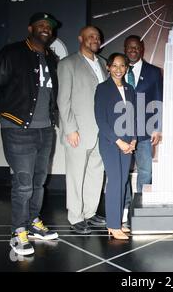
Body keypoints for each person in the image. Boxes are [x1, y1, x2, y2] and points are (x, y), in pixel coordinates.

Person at [0, 12, 60, 255]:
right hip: (18, 129)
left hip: (45, 130)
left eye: (49, 26)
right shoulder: (13, 52)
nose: (45, 28)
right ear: (30, 28)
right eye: (41, 25)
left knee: (39, 182)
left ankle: (33, 223)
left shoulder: (51, 58)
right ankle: (18, 231)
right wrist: (5, 113)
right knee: (24, 184)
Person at [57, 26, 107, 234]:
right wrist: (70, 129)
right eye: (90, 37)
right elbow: (63, 100)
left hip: (101, 131)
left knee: (95, 173)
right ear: (81, 39)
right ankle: (76, 217)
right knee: (76, 175)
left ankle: (89, 212)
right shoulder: (68, 64)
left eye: (97, 37)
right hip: (78, 131)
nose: (94, 39)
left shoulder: (104, 64)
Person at [94, 53, 137, 240]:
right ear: (108, 67)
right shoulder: (102, 89)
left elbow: (134, 118)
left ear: (126, 68)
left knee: (123, 181)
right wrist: (119, 141)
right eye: (115, 66)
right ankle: (112, 225)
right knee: (116, 181)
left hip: (128, 143)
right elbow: (101, 120)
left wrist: (133, 140)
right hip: (110, 142)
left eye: (122, 66)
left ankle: (117, 221)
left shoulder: (130, 89)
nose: (119, 69)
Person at [123, 35, 163, 219]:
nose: (133, 50)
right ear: (125, 49)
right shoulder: (118, 69)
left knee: (145, 170)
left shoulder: (154, 72)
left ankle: (139, 204)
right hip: (121, 130)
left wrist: (157, 127)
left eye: (136, 47)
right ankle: (124, 207)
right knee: (122, 170)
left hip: (145, 130)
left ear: (142, 49)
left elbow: (158, 100)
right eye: (129, 47)